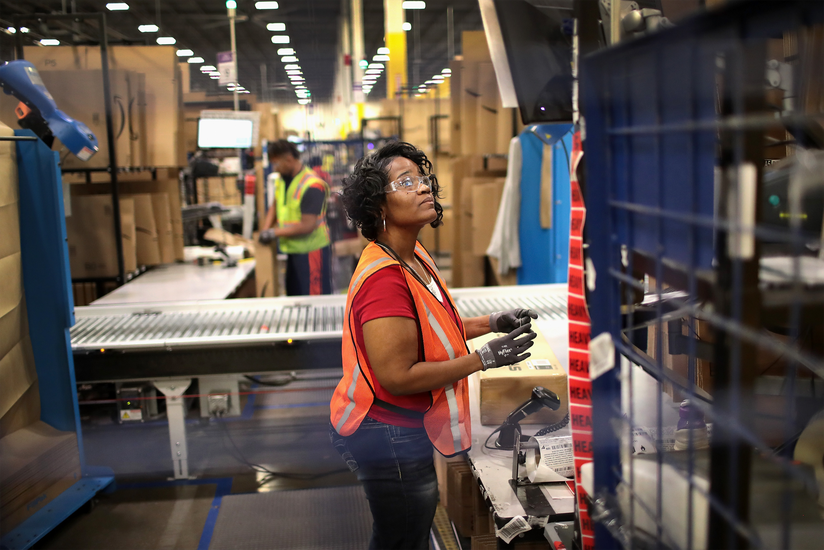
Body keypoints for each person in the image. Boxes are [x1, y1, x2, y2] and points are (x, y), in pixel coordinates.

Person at [329, 141, 539, 550]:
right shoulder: (384, 279)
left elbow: (429, 329)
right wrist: (483, 358)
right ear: (379, 208)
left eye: (422, 178)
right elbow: (398, 376)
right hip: (385, 430)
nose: (424, 188)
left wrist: (491, 323)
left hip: (404, 427)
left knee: (409, 528)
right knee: (403, 535)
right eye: (406, 182)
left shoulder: (412, 256)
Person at [259, 139, 332, 296]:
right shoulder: (282, 180)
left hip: (312, 252)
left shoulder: (312, 185)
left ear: (289, 160)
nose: (274, 168)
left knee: (315, 301)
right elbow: (275, 205)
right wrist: (265, 228)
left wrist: (274, 233)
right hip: (293, 251)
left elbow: (307, 225)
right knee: (295, 298)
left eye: (276, 163)